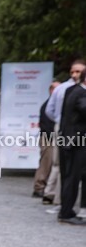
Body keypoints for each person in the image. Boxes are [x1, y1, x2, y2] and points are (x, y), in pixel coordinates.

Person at [43, 59, 86, 205]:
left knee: (68, 167)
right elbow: (49, 110)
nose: (75, 74)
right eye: (73, 71)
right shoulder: (64, 89)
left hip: (69, 130)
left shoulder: (71, 89)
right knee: (62, 166)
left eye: (78, 71)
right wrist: (61, 122)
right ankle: (59, 200)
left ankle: (65, 202)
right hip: (67, 130)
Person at [57, 66, 86, 224]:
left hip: (68, 139)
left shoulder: (72, 90)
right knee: (72, 178)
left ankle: (66, 209)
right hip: (76, 142)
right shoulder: (82, 93)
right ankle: (66, 212)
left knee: (69, 176)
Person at [32, 81, 60, 198]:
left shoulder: (54, 105)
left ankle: (44, 187)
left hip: (51, 137)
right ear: (50, 90)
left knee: (50, 164)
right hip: (48, 138)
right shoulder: (48, 105)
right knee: (46, 164)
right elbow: (47, 125)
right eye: (55, 89)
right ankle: (39, 187)